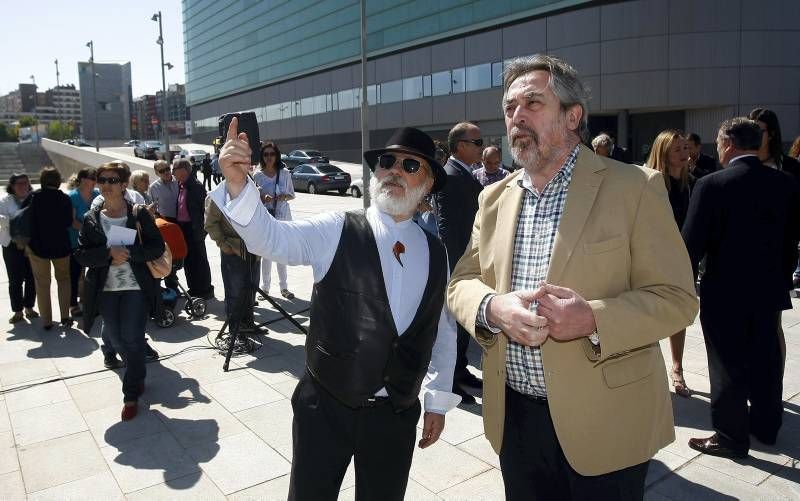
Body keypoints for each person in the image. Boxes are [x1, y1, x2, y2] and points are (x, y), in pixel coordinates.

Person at [447, 54, 698, 499]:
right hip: (516, 423)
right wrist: (492, 308)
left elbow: (678, 298)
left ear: (572, 116)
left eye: (532, 103)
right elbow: (462, 282)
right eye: (509, 108)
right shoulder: (492, 198)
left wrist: (593, 320)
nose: (516, 117)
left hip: (607, 423)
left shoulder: (635, 187)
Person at [213, 121, 459, 500]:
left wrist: (438, 399)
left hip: (395, 413)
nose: (395, 170)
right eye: (388, 161)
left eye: (411, 166)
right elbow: (271, 238)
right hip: (326, 408)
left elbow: (441, 330)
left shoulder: (436, 251)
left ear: (427, 188)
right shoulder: (337, 228)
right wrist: (237, 185)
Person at [683, 117, 800, 458]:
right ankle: (766, 425)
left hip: (724, 293)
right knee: (766, 358)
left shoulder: (712, 185)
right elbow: (792, 240)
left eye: (718, 144)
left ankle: (731, 437)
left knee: (726, 364)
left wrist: (682, 284)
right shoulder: (786, 184)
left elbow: (690, 245)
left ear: (729, 144)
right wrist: (783, 275)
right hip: (769, 290)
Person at [75, 160, 165, 421]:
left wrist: (130, 253)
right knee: (115, 339)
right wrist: (107, 254)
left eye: (112, 180)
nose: (105, 185)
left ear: (124, 184)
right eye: (101, 180)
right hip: (106, 290)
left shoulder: (138, 214)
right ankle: (137, 372)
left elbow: (156, 247)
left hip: (136, 287)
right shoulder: (91, 218)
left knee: (133, 338)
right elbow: (81, 255)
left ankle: (130, 392)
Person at [748, 108, 800, 377]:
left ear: (773, 133)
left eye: (760, 129)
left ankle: (774, 384)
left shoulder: (789, 169)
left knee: (772, 326)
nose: (754, 134)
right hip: (744, 260)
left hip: (776, 260)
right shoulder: (742, 164)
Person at [437, 121, 485, 404]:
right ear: (459, 147)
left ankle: (460, 370)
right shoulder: (450, 175)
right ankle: (450, 382)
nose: (480, 147)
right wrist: (456, 270)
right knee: (453, 326)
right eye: (476, 143)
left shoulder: (464, 173)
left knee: (464, 324)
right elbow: (446, 227)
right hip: (458, 263)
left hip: (468, 261)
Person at [645, 130, 693, 398]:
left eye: (685, 147)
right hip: (650, 260)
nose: (684, 153)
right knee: (647, 315)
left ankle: (677, 370)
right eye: (677, 149)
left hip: (680, 261)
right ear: (663, 153)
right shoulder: (650, 184)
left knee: (678, 317)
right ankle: (648, 372)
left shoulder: (693, 184)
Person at [23, 167, 73, 330]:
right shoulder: (64, 198)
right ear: (58, 180)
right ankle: (65, 316)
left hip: (37, 247)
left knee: (42, 284)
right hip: (61, 246)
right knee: (64, 280)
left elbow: (25, 221)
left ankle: (47, 321)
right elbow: (68, 222)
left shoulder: (33, 197)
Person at [205, 197, 260, 334]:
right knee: (235, 292)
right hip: (233, 250)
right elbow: (210, 223)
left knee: (251, 288)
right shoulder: (219, 194)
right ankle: (236, 329)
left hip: (253, 249)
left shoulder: (250, 188)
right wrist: (223, 245)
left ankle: (248, 324)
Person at [253, 141, 295, 299]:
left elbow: (292, 194)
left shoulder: (284, 173)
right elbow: (254, 197)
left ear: (277, 155)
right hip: (266, 218)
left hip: (282, 216)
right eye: (266, 154)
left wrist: (283, 196)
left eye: (272, 154)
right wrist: (263, 196)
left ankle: (284, 287)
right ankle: (265, 288)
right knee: (267, 253)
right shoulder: (257, 175)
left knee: (281, 252)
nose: (269, 157)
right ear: (262, 157)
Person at [0, 174, 38, 323]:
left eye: (26, 183)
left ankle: (29, 307)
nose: (23, 186)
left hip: (31, 245)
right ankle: (17, 311)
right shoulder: (5, 201)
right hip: (11, 245)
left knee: (31, 278)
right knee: (15, 280)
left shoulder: (34, 199)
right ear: (12, 185)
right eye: (19, 183)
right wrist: (15, 219)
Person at [173, 158, 214, 298]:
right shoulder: (180, 185)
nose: (178, 177)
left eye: (181, 174)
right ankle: (194, 288)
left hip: (194, 229)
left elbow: (207, 211)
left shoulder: (196, 186)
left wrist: (203, 231)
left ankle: (206, 290)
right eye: (177, 174)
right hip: (183, 228)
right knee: (189, 260)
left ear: (188, 172)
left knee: (200, 260)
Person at [67, 168, 99, 318]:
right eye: (93, 178)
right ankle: (73, 305)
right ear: (83, 179)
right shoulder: (72, 196)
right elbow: (72, 221)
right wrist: (88, 230)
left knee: (93, 274)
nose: (95, 181)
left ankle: (90, 301)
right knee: (75, 275)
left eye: (95, 178)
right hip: (76, 242)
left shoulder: (97, 195)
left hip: (94, 243)